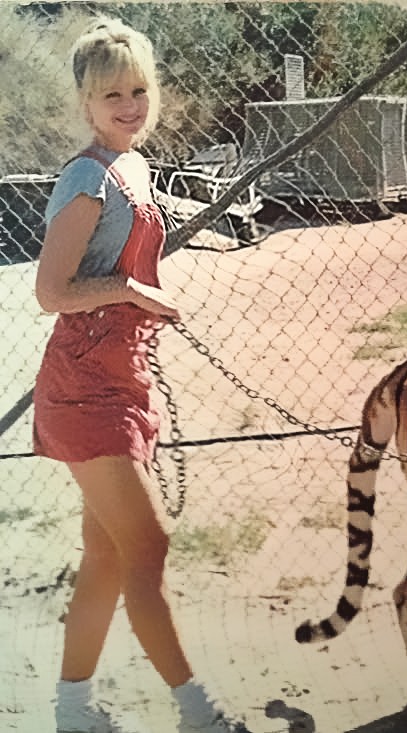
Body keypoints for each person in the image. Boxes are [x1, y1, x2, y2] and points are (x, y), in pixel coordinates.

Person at [33, 17, 252, 733]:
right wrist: (132, 292)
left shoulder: (136, 166)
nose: (128, 104)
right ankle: (200, 713)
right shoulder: (88, 176)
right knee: (147, 545)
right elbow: (51, 292)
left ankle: (72, 711)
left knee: (105, 552)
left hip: (123, 374)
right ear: (85, 105)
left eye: (138, 89)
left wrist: (134, 305)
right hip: (83, 383)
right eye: (110, 95)